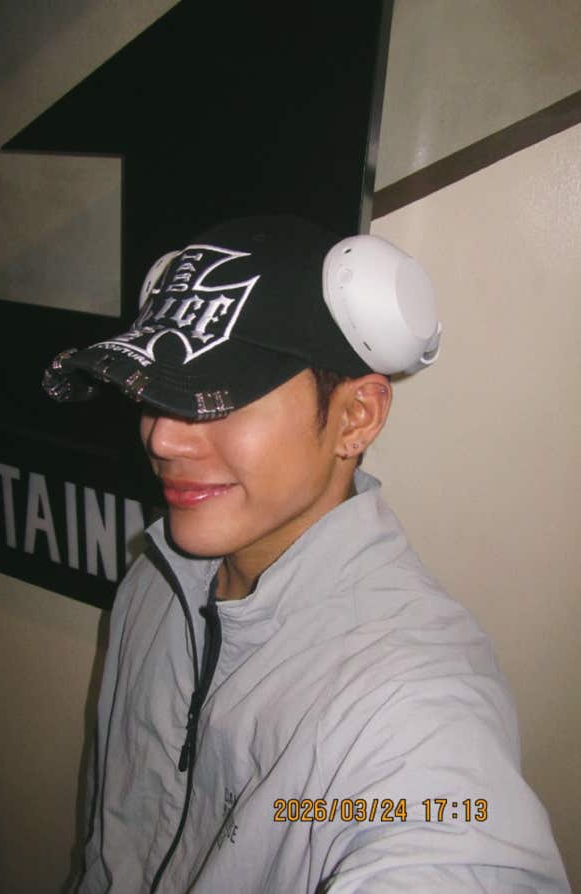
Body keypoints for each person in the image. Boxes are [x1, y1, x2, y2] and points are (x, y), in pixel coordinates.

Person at [44, 215, 570, 893]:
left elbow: (453, 838)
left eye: (218, 399)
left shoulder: (407, 695)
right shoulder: (155, 578)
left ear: (356, 417)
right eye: (157, 392)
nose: (162, 438)